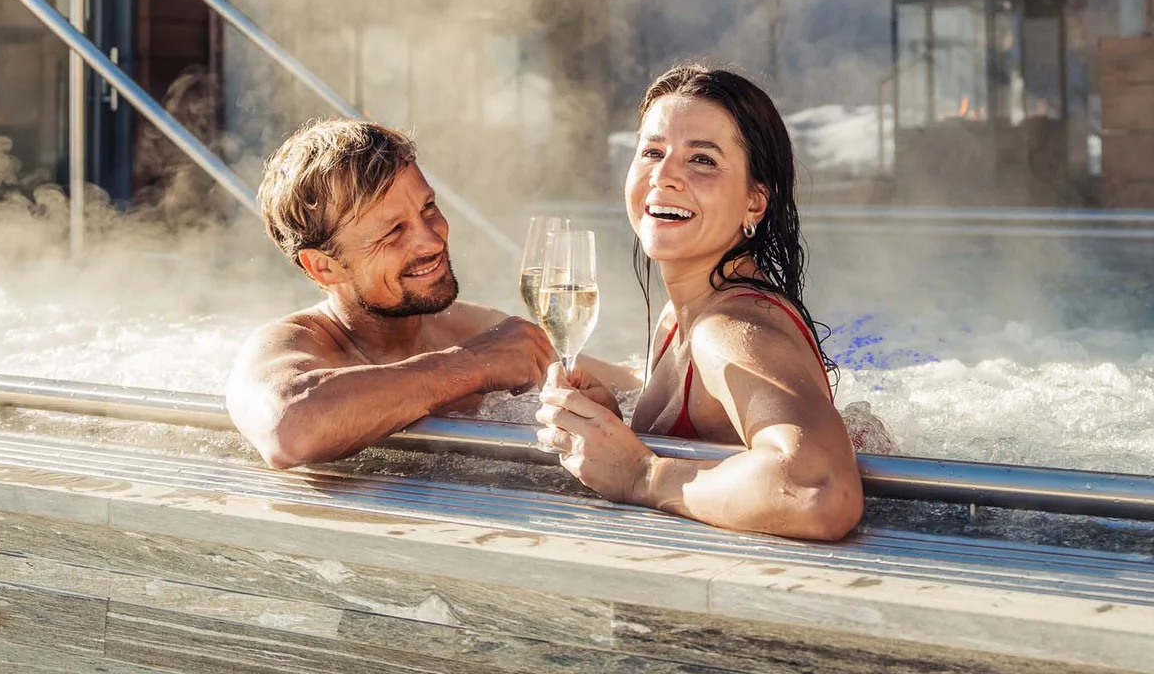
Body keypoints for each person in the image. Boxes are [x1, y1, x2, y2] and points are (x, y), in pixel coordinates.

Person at [535, 63, 865, 541]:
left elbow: (821, 490)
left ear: (755, 202)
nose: (664, 176)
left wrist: (640, 475)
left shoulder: (727, 328)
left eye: (702, 160)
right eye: (652, 151)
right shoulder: (681, 316)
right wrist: (614, 423)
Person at [226, 119, 624, 468]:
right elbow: (289, 430)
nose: (431, 240)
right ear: (323, 267)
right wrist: (471, 366)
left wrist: (606, 411)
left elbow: (631, 386)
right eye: (392, 232)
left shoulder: (471, 327)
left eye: (428, 207)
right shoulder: (291, 346)